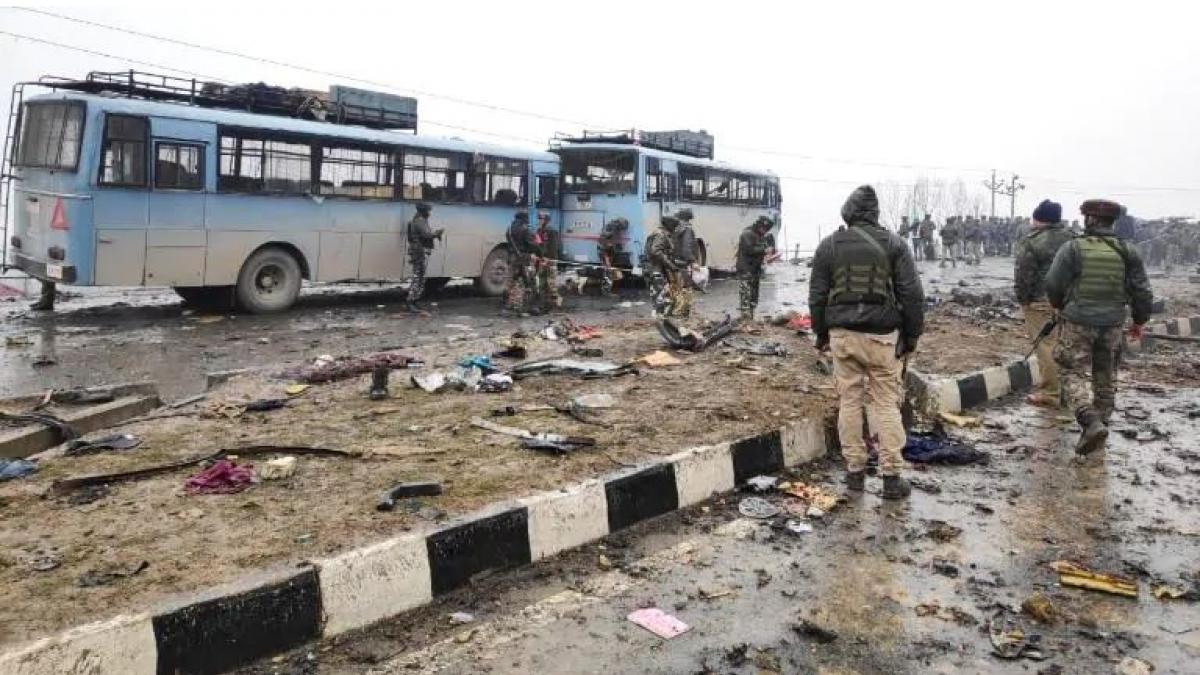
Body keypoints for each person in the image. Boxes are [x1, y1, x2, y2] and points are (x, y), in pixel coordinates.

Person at [809, 185, 925, 499]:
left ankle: (855, 473)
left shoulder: (829, 245)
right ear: (875, 214)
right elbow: (912, 295)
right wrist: (912, 336)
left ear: (848, 213)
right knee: (886, 404)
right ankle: (891, 478)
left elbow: (817, 295)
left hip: (842, 336)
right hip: (882, 337)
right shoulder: (894, 244)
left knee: (849, 402)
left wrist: (821, 334)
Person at [1044, 199, 1153, 455]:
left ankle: (1090, 421)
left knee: (1071, 371)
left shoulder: (1073, 248)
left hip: (1078, 321)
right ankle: (1099, 429)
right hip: (1112, 323)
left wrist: (1058, 305)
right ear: (1112, 221)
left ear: (1090, 219)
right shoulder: (1128, 250)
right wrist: (1139, 321)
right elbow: (1142, 291)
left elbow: (1053, 283)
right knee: (1106, 376)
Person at [1013, 199, 1074, 406]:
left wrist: (1024, 300)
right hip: (1072, 303)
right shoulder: (1074, 240)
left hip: (1041, 301)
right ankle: (1067, 390)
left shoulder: (1032, 242)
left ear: (1040, 219)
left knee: (1046, 346)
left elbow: (1024, 275)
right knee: (1066, 345)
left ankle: (1051, 393)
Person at [735, 216, 775, 322]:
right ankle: (745, 317)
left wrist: (769, 255)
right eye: (763, 228)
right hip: (746, 268)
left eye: (766, 229)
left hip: (755, 269)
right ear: (759, 225)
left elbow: (762, 250)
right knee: (745, 293)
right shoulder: (747, 234)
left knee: (754, 294)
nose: (764, 231)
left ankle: (751, 316)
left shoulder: (760, 236)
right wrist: (765, 250)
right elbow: (749, 250)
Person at [405, 203, 443, 312]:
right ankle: (410, 302)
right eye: (428, 211)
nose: (429, 213)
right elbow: (427, 235)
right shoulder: (419, 221)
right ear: (423, 211)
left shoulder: (419, 220)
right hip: (419, 252)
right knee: (418, 277)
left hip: (419, 251)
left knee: (420, 277)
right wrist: (437, 233)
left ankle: (415, 301)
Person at [503, 211, 537, 314]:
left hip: (512, 257)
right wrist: (536, 253)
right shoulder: (525, 229)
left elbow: (509, 242)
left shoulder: (509, 229)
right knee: (526, 281)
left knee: (511, 281)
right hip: (524, 258)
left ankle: (508, 305)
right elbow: (531, 244)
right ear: (524, 219)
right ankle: (523, 306)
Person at [645, 215, 679, 317]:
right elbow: (656, 251)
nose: (675, 228)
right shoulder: (660, 235)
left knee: (660, 293)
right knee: (660, 294)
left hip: (655, 267)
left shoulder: (659, 233)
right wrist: (670, 264)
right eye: (674, 226)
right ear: (669, 225)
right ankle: (659, 317)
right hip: (656, 268)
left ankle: (660, 315)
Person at [671, 209, 698, 318]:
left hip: (674, 262)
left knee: (676, 288)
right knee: (686, 289)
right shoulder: (687, 230)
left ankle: (675, 312)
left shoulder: (674, 229)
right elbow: (687, 249)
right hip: (682, 263)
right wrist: (693, 261)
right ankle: (681, 314)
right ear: (688, 218)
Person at [533, 211, 562, 312]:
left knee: (551, 283)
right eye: (539, 218)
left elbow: (554, 247)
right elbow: (539, 245)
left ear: (546, 220)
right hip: (542, 259)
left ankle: (555, 303)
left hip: (550, 260)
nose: (539, 220)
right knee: (542, 281)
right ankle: (544, 303)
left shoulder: (551, 231)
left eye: (541, 219)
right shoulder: (539, 231)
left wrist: (549, 258)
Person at [597, 217, 629, 296]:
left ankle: (607, 290)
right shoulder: (610, 230)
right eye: (622, 228)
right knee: (607, 271)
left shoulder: (614, 229)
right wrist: (606, 259)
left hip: (608, 252)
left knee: (609, 271)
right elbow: (603, 245)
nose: (622, 231)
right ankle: (606, 291)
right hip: (605, 253)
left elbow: (615, 242)